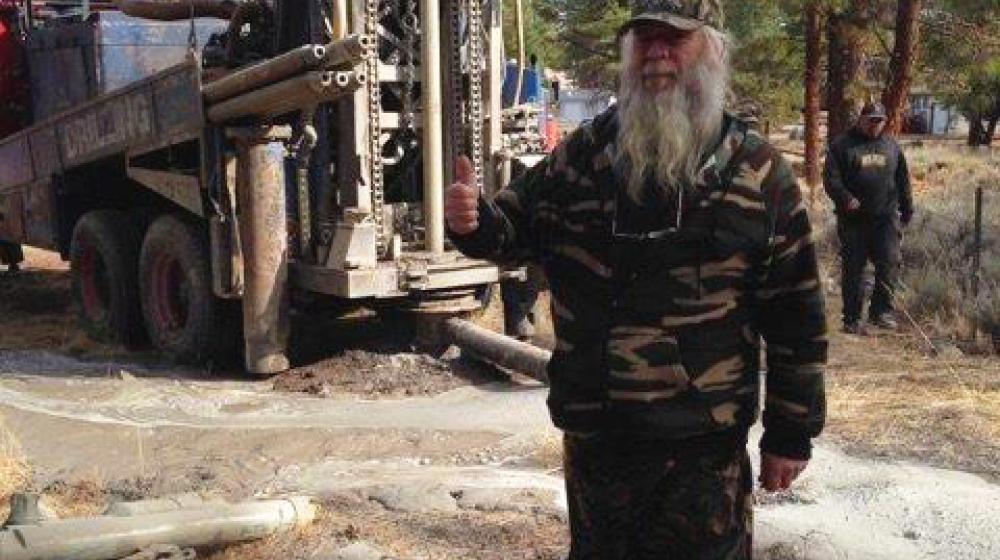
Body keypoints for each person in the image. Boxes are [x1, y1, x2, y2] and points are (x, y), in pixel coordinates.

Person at [445, 1, 827, 557]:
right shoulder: (583, 157)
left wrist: (790, 433)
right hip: (599, 440)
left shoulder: (759, 172)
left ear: (712, 47)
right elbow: (515, 228)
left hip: (703, 449)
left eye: (674, 38)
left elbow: (797, 314)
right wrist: (475, 223)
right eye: (644, 38)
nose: (656, 53)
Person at [824, 102, 913, 334]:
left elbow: (902, 179)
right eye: (871, 120)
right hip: (853, 220)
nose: (875, 125)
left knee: (889, 263)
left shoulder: (891, 146)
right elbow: (831, 180)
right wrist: (845, 199)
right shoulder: (842, 145)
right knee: (854, 269)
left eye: (879, 120)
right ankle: (851, 319)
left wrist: (907, 208)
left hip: (885, 218)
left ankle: (881, 312)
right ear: (861, 119)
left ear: (884, 121)